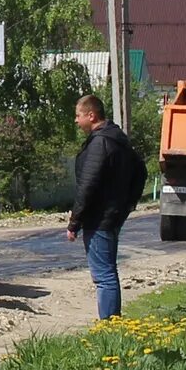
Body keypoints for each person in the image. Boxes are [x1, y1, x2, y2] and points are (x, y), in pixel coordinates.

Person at [66, 91, 145, 321]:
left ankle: (110, 326)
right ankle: (112, 323)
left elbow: (87, 185)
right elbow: (140, 171)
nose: (76, 120)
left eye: (78, 115)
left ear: (91, 115)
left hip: (99, 217)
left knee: (104, 276)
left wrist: (74, 222)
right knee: (108, 271)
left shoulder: (101, 142)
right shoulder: (116, 138)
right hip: (112, 214)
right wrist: (128, 202)